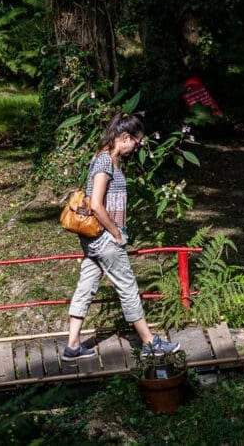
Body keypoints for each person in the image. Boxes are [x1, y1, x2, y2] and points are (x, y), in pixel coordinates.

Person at [63, 113, 182, 361]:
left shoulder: (107, 160)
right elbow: (96, 204)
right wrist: (116, 232)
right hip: (105, 238)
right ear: (125, 137)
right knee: (128, 288)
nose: (135, 148)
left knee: (86, 286)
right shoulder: (105, 163)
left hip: (94, 240)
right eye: (136, 143)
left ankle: (72, 346)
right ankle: (150, 343)